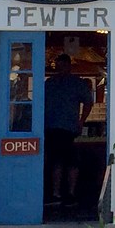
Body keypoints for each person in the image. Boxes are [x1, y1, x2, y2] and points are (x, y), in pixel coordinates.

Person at [44, 53, 93, 206]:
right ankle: (56, 194)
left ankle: (69, 194)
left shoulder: (77, 83)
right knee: (55, 161)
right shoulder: (50, 83)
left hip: (68, 128)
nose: (60, 69)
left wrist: (81, 121)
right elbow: (40, 103)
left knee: (70, 161)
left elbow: (88, 102)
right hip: (51, 127)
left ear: (69, 66)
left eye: (63, 65)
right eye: (58, 66)